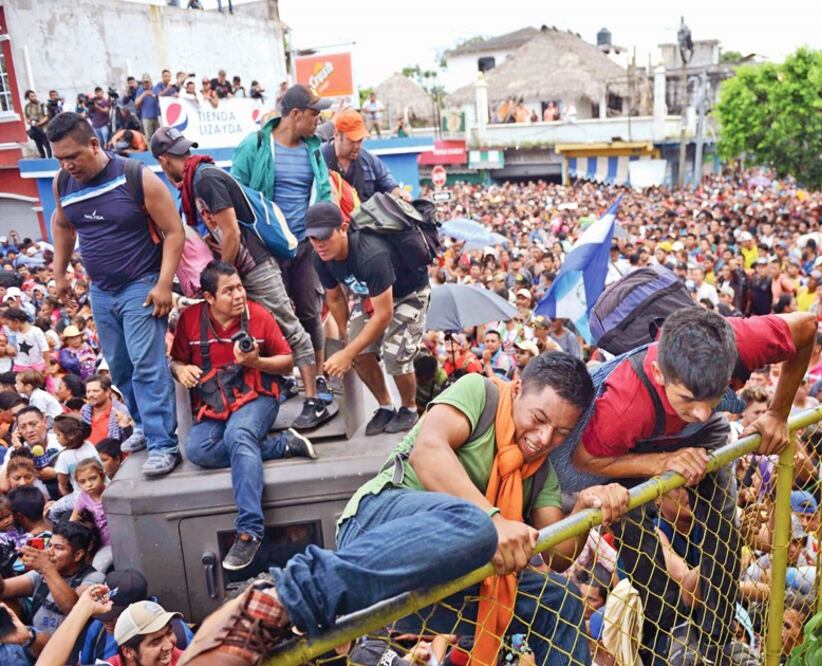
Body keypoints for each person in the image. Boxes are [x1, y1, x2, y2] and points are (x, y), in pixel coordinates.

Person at [180, 352, 630, 665]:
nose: (545, 438)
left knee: (561, 599)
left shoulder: (540, 472)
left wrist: (589, 510)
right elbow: (428, 451)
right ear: (517, 389)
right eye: (539, 419)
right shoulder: (480, 392)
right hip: (379, 524)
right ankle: (278, 602)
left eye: (560, 433)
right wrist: (493, 520)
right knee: (475, 523)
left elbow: (556, 552)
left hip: (441, 574)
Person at [567, 307, 815, 664]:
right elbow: (584, 460)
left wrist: (778, 412)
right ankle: (664, 635)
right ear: (658, 373)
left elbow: (806, 328)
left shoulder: (740, 342)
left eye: (711, 397)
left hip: (702, 441)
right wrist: (661, 463)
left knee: (724, 526)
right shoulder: (622, 405)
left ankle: (715, 635)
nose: (700, 410)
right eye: (688, 399)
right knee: (633, 528)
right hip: (636, 447)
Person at [152, 126, 324, 429]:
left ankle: (314, 400)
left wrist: (225, 273)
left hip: (254, 265)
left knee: (289, 326)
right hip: (241, 269)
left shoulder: (205, 179)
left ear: (163, 161)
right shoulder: (195, 182)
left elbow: (231, 230)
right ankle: (281, 384)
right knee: (252, 328)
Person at [48, 112, 183, 477]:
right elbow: (62, 225)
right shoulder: (64, 183)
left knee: (146, 363)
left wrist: (164, 284)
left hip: (141, 284)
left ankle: (163, 444)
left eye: (73, 155)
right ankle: (141, 424)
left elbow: (174, 232)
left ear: (95, 144)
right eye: (60, 158)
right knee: (120, 367)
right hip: (101, 290)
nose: (68, 164)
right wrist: (59, 274)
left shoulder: (136, 177)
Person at [170, 262, 318, 570]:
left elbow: (287, 362)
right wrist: (181, 369)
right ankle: (281, 446)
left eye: (239, 287)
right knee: (197, 449)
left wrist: (256, 361)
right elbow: (176, 360)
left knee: (239, 435)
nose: (238, 295)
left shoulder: (259, 315)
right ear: (208, 297)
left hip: (258, 397)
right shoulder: (189, 320)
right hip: (215, 403)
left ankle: (250, 531)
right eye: (228, 291)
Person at [231, 84, 335, 431]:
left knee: (309, 310)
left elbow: (323, 190)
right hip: (267, 245)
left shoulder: (314, 148)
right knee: (277, 317)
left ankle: (317, 378)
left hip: (306, 242)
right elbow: (234, 191)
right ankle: (288, 378)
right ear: (295, 114)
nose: (318, 120)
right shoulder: (256, 145)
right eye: (314, 114)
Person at [306, 202, 431, 436]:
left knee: (397, 354)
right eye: (312, 238)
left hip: (408, 293)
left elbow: (384, 315)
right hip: (371, 294)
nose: (318, 244)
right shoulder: (319, 257)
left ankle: (409, 408)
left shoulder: (371, 254)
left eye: (324, 237)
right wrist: (346, 338)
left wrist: (348, 352)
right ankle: (385, 405)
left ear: (343, 228)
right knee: (359, 354)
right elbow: (334, 298)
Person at [0, 518, 106, 659]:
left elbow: (73, 607)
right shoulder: (43, 573)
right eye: (50, 546)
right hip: (31, 647)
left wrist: (46, 567)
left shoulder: (94, 578)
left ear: (78, 555)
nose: (50, 552)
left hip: (61, 653)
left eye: (58, 548)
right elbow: (4, 589)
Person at [322, 109, 410, 202]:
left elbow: (386, 182)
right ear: (337, 134)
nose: (357, 146)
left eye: (360, 140)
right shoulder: (319, 158)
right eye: (351, 141)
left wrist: (399, 192)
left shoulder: (368, 159)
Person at [24, 91, 51, 158]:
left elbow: (47, 116)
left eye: (34, 96)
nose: (34, 98)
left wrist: (39, 123)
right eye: (32, 96)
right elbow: (26, 117)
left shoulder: (42, 105)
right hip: (34, 129)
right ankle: (43, 159)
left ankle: (50, 159)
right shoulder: (27, 107)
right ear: (28, 98)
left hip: (43, 128)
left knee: (47, 145)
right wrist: (29, 121)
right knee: (39, 146)